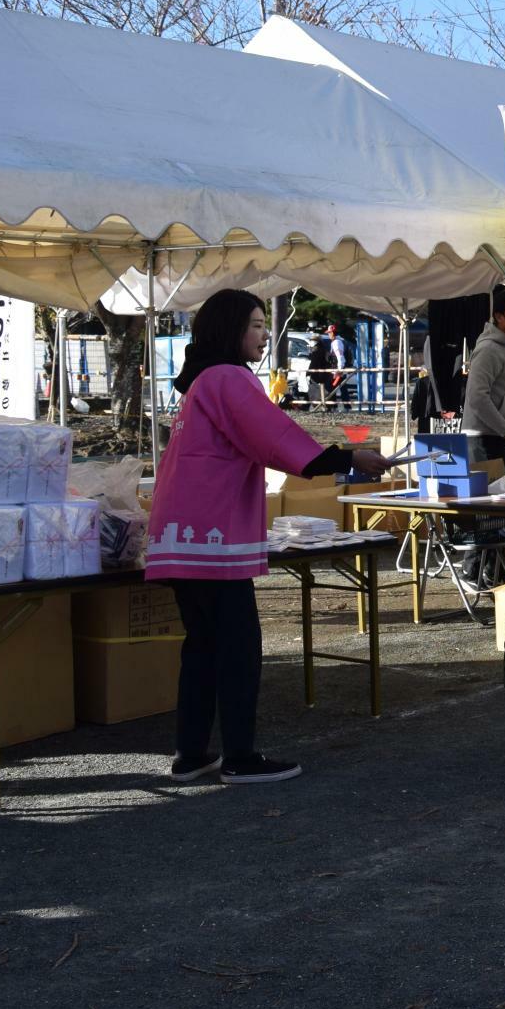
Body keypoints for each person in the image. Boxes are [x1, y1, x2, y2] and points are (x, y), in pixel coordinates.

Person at [147, 289, 390, 785]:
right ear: (231, 328)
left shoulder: (199, 382)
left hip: (181, 534)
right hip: (212, 536)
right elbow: (274, 437)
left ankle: (192, 755)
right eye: (256, 324)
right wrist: (347, 457)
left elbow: (266, 437)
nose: (263, 334)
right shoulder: (228, 378)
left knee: (201, 646)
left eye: (264, 323)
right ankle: (239, 756)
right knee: (237, 646)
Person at [461, 284, 505, 470]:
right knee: (488, 498)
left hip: (500, 439)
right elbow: (477, 398)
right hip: (480, 440)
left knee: (502, 497)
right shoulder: (488, 350)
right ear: (499, 317)